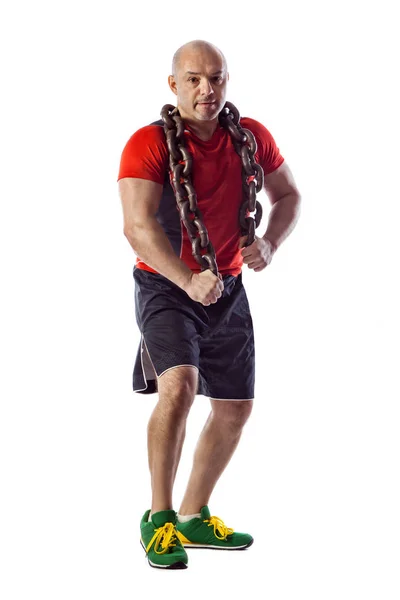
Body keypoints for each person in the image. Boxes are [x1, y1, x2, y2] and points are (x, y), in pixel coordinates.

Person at [117, 39, 301, 570]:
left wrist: (269, 242)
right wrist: (186, 278)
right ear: (173, 85)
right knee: (179, 386)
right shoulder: (147, 144)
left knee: (235, 407)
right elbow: (137, 227)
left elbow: (288, 197)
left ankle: (195, 516)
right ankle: (160, 519)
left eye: (216, 77)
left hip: (227, 287)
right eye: (194, 79)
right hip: (165, 286)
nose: (207, 89)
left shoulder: (251, 138)